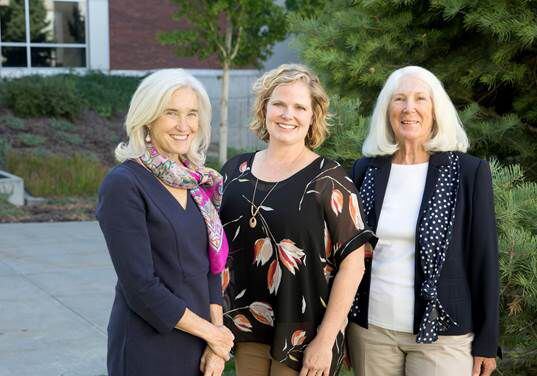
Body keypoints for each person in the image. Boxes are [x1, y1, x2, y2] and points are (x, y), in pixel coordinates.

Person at [219, 64, 377, 376]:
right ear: (265, 108)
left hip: (306, 338)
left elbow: (354, 263)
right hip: (246, 328)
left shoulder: (329, 179)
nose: (287, 114)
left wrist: (327, 338)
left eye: (299, 107)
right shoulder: (234, 173)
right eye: (278, 104)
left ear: (312, 116)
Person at [346, 66, 500, 376]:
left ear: (436, 109)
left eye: (420, 99)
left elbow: (484, 259)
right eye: (399, 99)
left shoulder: (468, 173)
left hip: (444, 336)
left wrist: (487, 341)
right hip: (372, 332)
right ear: (387, 110)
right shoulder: (366, 170)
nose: (409, 108)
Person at [96, 69, 234, 376]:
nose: (184, 126)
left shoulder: (196, 184)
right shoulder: (124, 184)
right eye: (171, 113)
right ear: (147, 118)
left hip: (199, 344)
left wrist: (216, 345)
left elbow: (211, 268)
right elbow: (140, 287)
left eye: (192, 114)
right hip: (150, 348)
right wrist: (213, 335)